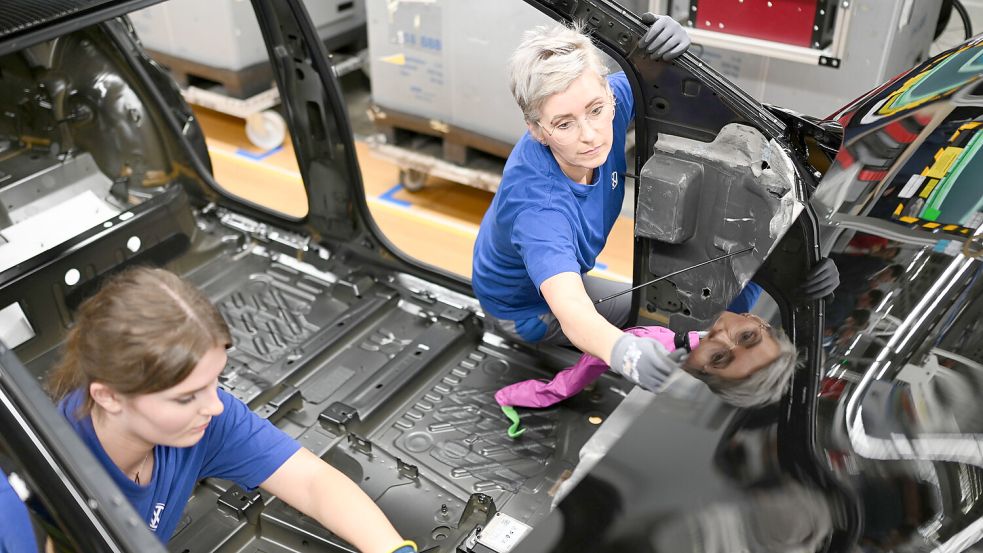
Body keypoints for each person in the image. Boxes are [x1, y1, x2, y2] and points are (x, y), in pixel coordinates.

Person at [471, 18, 838, 394]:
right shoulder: (540, 211)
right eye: (564, 124)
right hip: (527, 311)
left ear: (607, 96)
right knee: (664, 324)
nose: (590, 135)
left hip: (548, 275)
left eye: (596, 110)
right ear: (536, 129)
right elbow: (572, 311)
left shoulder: (602, 101)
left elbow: (647, 73)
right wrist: (623, 351)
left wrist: (669, 42)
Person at [47, 267, 416, 553]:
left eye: (214, 381)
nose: (215, 405)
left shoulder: (207, 420)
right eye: (186, 396)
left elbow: (312, 482)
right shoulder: (50, 486)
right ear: (109, 397)